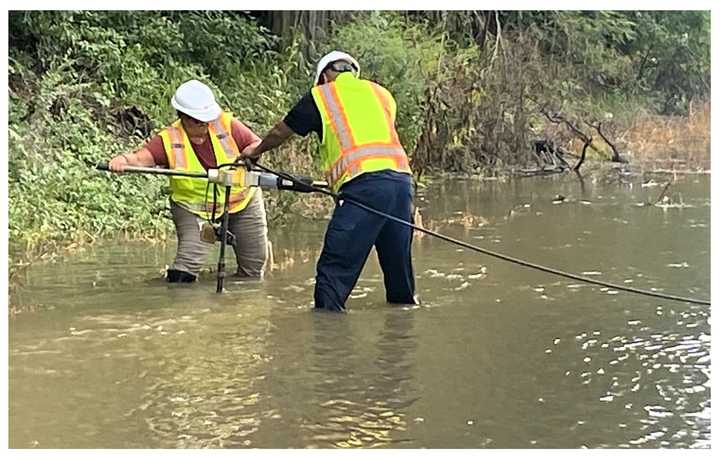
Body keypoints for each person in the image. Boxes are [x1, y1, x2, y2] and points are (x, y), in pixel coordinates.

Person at [241, 51, 417, 311]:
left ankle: (327, 336)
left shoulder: (322, 96)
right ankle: (404, 321)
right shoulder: (382, 94)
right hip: (402, 184)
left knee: (334, 268)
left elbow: (281, 131)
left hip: (363, 186)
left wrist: (254, 151)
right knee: (398, 263)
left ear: (324, 76)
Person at [108, 79, 268, 283]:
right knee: (185, 269)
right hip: (194, 210)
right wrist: (123, 160)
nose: (204, 125)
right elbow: (141, 158)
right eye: (198, 121)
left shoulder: (226, 124)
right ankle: (181, 306)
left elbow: (256, 144)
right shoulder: (168, 138)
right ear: (184, 117)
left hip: (242, 202)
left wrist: (251, 154)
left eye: (207, 120)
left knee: (253, 271)